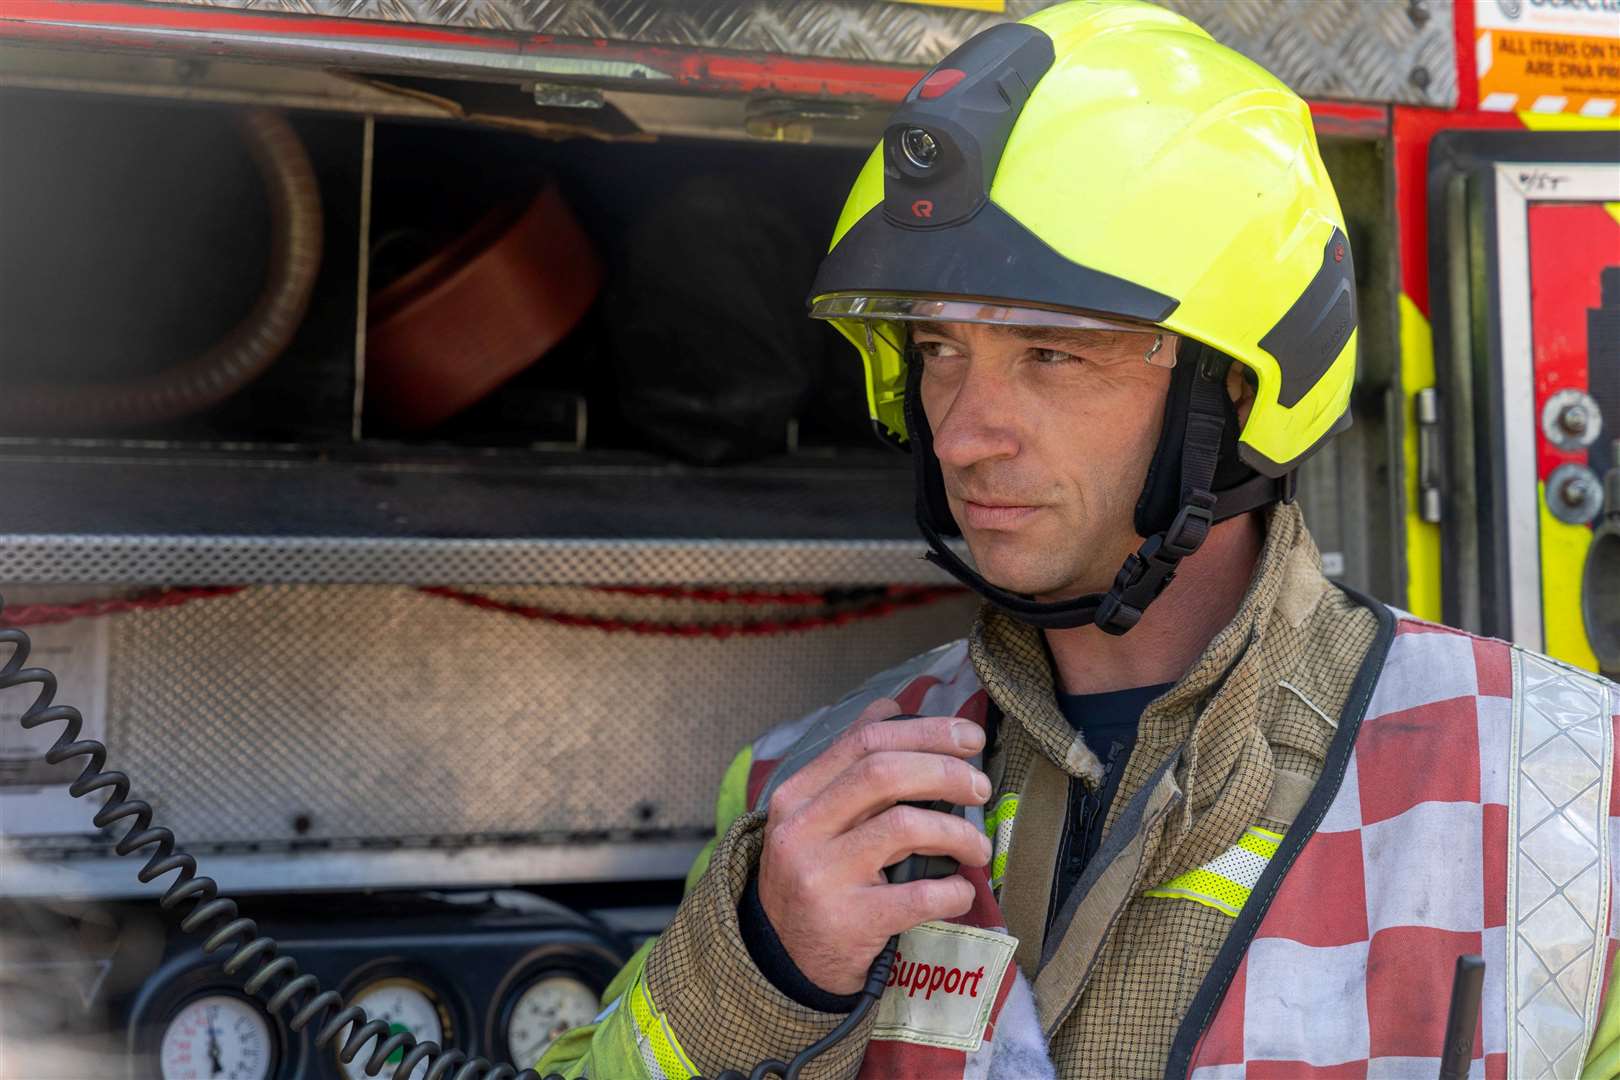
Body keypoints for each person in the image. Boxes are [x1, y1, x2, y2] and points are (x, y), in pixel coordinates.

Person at [538, 2, 1620, 1077]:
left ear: (1238, 389)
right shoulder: (805, 789)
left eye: (1054, 355)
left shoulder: (1567, 788)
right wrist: (764, 967)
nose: (961, 433)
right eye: (939, 350)